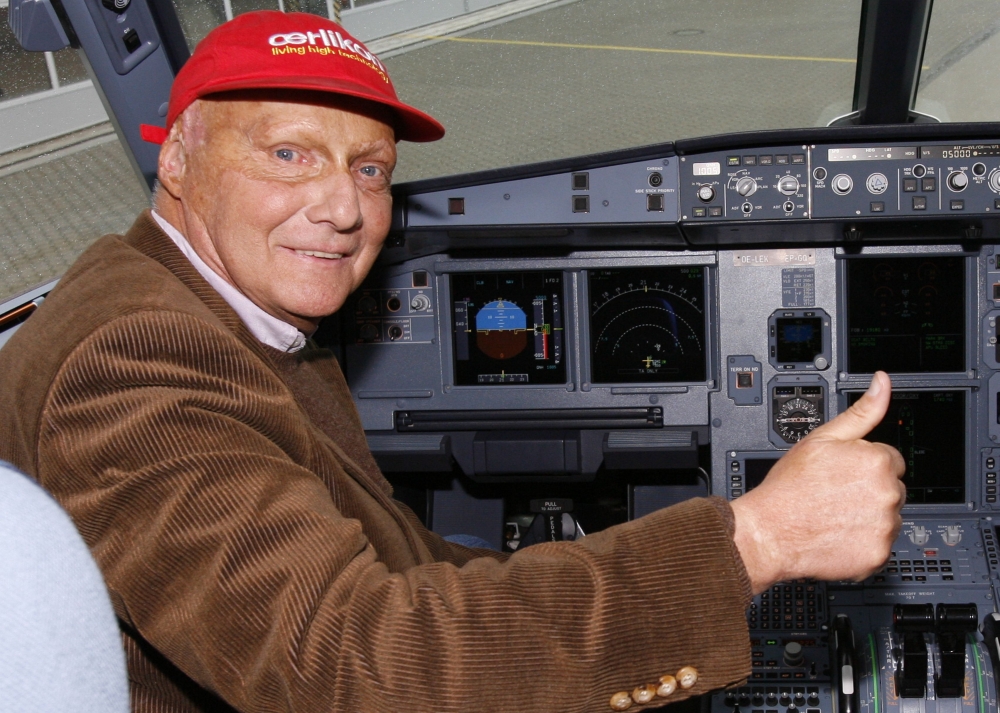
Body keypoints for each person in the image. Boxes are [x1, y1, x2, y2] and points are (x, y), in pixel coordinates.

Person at [0, 10, 906, 713]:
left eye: (368, 169)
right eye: (288, 154)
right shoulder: (132, 362)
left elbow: (395, 564)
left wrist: (591, 569)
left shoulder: (226, 312)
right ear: (178, 158)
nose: (342, 208)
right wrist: (759, 540)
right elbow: (357, 665)